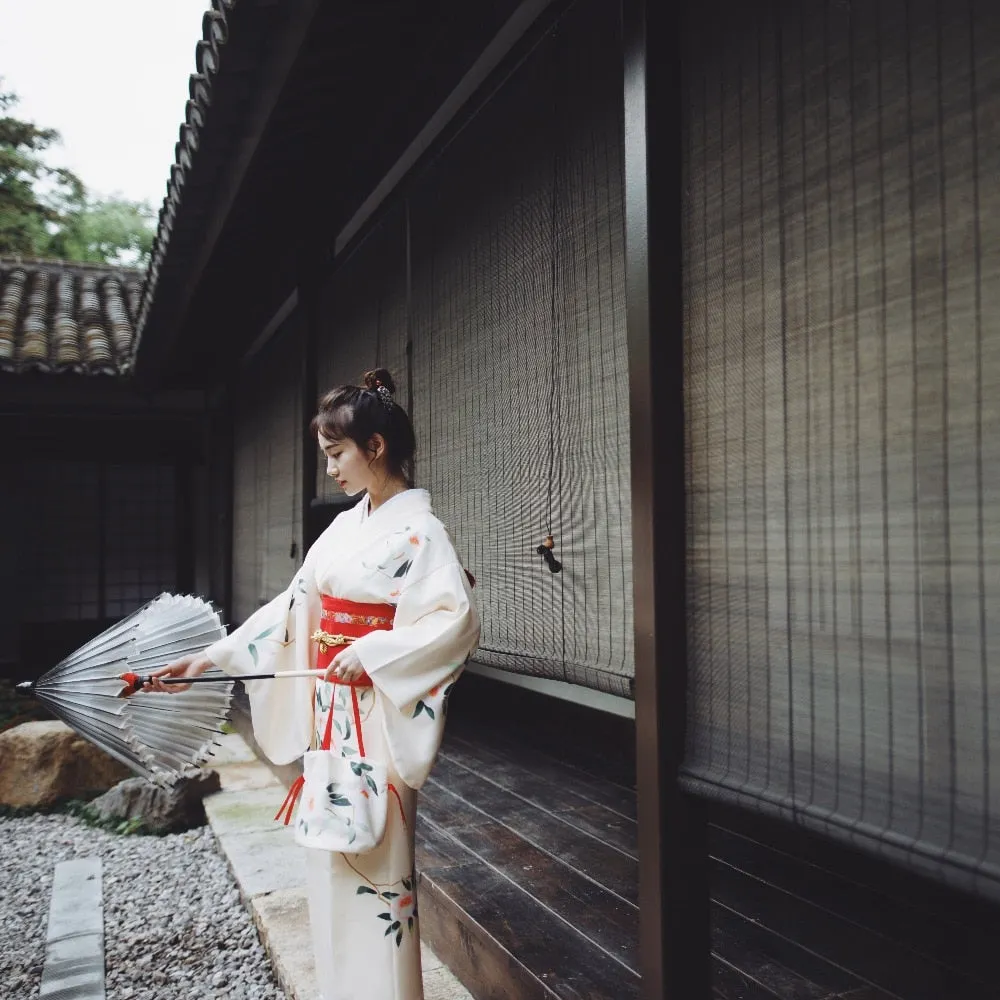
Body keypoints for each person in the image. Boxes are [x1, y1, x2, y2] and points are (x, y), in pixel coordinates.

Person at [149, 369, 480, 1000]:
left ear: (374, 447)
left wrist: (375, 651)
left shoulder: (422, 533)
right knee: (331, 847)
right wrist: (210, 658)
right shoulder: (345, 526)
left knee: (376, 854)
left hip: (376, 714)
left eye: (336, 454)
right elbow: (294, 607)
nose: (329, 469)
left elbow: (455, 622)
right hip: (334, 708)